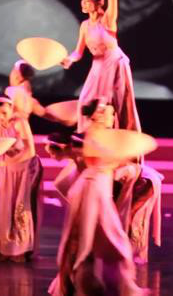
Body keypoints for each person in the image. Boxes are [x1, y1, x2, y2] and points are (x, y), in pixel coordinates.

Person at [49, 99, 145, 295]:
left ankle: (106, 284)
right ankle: (82, 284)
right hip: (92, 190)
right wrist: (120, 159)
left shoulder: (97, 136)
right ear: (98, 115)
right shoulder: (91, 136)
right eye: (110, 112)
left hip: (97, 188)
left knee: (104, 240)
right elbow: (93, 160)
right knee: (91, 240)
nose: (112, 116)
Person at [61, 0, 141, 134]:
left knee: (112, 106)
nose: (83, 3)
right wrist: (69, 59)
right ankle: (87, 138)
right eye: (82, 0)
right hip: (97, 67)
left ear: (98, 3)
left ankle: (118, 139)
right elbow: (78, 52)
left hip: (114, 64)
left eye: (87, 0)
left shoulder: (108, 20)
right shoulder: (84, 26)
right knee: (85, 101)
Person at [0, 96, 43, 262]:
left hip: (26, 168)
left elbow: (30, 151)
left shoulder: (20, 123)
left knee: (21, 207)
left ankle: (20, 250)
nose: (0, 116)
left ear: (12, 109)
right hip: (7, 169)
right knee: (6, 208)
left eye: (4, 112)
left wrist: (6, 162)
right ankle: (6, 249)